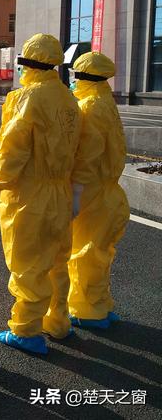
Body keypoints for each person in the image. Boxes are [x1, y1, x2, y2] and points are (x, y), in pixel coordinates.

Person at [0, 33, 80, 355]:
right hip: (60, 191)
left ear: (27, 63)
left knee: (27, 264)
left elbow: (14, 147)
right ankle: (57, 321)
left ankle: (26, 330)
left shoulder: (28, 98)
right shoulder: (69, 99)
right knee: (56, 261)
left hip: (30, 194)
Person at [68, 52, 129, 329]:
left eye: (75, 74)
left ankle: (87, 311)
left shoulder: (89, 106)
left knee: (85, 253)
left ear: (83, 76)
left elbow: (87, 156)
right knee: (101, 252)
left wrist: (76, 193)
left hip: (91, 191)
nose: (72, 80)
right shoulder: (106, 102)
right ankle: (101, 304)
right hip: (109, 191)